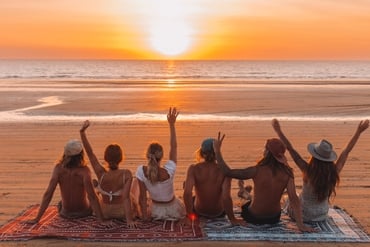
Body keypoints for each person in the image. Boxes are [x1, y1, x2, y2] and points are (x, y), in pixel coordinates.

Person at [213, 132, 315, 232]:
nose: (263, 151)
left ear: (267, 152)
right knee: (251, 199)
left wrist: (217, 151)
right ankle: (244, 191)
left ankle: (243, 191)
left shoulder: (256, 170)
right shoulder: (288, 173)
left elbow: (227, 171)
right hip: (274, 218)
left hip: (253, 217)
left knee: (245, 204)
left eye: (265, 148)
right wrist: (300, 225)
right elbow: (294, 199)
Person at [272, 119, 369, 222]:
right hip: (321, 216)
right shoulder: (333, 172)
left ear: (314, 156)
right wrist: (358, 132)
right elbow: (346, 152)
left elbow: (291, 149)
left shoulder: (308, 170)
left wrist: (278, 131)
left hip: (302, 214)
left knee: (287, 198)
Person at [26, 139, 104, 224]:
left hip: (65, 213)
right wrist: (101, 220)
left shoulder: (58, 169)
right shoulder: (84, 171)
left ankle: (94, 185)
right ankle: (96, 187)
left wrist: (37, 218)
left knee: (61, 202)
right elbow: (92, 196)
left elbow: (48, 193)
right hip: (83, 212)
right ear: (81, 154)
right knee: (95, 193)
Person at [80, 120, 138, 228]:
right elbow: (126, 198)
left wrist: (82, 133)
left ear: (105, 158)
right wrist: (129, 220)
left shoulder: (100, 172)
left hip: (105, 211)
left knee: (98, 190)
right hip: (121, 212)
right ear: (121, 158)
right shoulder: (126, 174)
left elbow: (90, 153)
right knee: (135, 186)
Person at [135, 107, 186, 222]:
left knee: (135, 184)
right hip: (173, 210)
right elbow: (174, 146)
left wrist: (144, 217)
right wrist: (172, 125)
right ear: (161, 156)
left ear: (147, 155)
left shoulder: (140, 171)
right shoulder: (169, 169)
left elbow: (142, 198)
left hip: (155, 211)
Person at [183, 138, 245, 226]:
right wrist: (232, 219)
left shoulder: (193, 168)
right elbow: (226, 197)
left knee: (186, 186)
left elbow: (187, 193)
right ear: (217, 153)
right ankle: (243, 191)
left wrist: (188, 216)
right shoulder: (225, 171)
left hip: (199, 210)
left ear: (201, 153)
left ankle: (190, 213)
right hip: (218, 212)